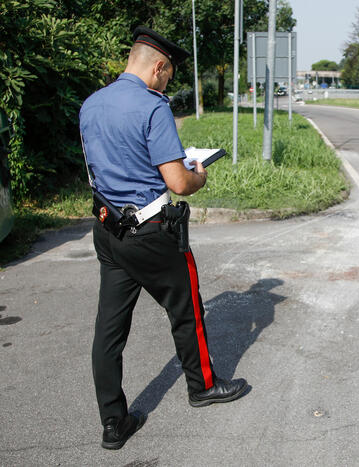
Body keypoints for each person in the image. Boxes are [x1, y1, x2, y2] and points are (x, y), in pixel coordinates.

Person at [79, 26, 247, 450]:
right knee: (187, 309)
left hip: (108, 230)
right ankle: (202, 387)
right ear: (158, 67)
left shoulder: (90, 104)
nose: (166, 83)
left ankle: (114, 422)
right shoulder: (153, 107)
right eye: (168, 76)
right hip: (153, 233)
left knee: (109, 330)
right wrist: (198, 173)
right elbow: (178, 182)